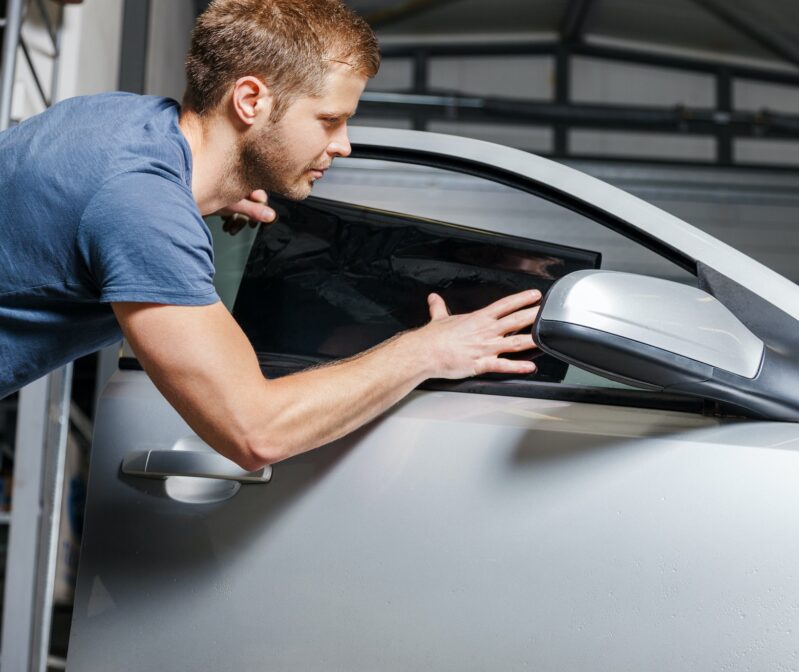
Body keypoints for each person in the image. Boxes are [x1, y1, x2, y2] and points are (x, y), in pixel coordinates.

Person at [0, 0, 541, 469]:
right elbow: (255, 431)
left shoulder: (118, 119)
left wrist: (198, 199)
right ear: (250, 101)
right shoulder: (143, 210)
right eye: (330, 120)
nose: (343, 144)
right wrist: (423, 354)